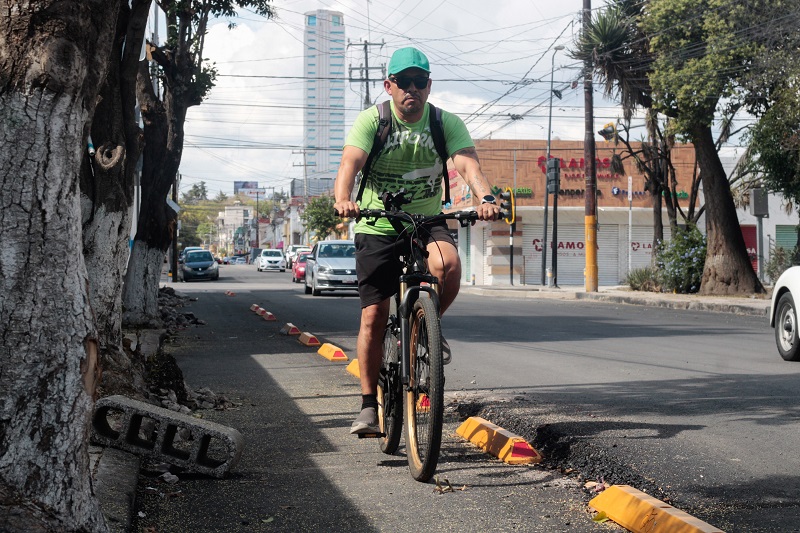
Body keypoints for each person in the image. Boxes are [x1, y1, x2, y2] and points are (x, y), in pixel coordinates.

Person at [333, 47, 500, 435]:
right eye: (403, 82)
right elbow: (350, 163)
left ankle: (427, 327)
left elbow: (466, 163)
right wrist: (344, 199)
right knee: (373, 316)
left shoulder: (444, 123)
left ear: (428, 85)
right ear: (389, 86)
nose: (412, 89)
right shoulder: (372, 121)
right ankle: (368, 407)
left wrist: (486, 198)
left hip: (425, 221)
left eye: (419, 81)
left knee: (449, 265)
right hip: (377, 223)